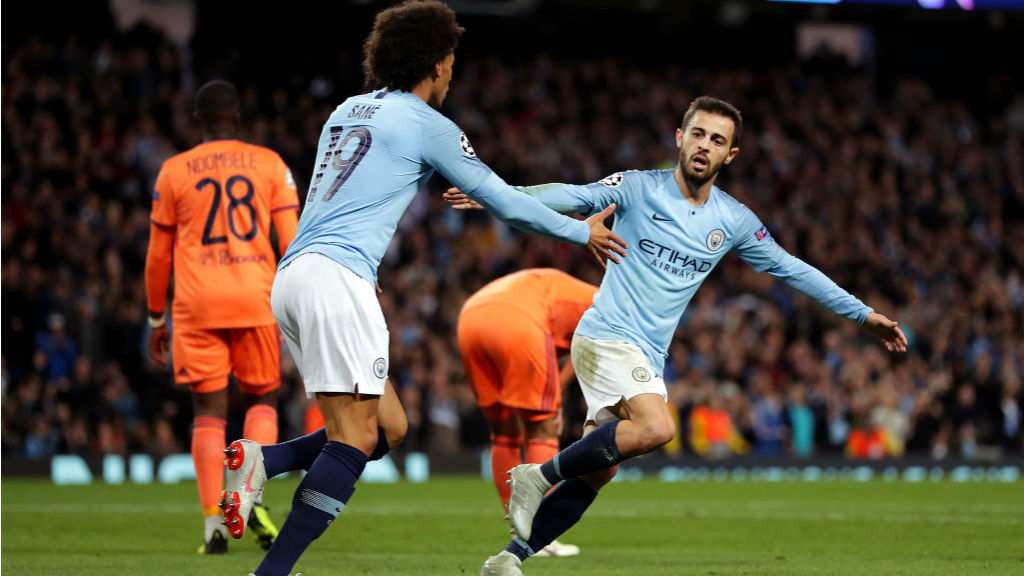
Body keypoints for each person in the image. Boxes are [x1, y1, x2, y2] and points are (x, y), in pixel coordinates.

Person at [217, 3, 627, 576]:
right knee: (354, 438)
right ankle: (274, 571)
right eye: (451, 65)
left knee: (391, 427)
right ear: (435, 65)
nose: (452, 76)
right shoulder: (426, 123)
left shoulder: (347, 110)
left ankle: (266, 459)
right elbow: (508, 202)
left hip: (294, 277)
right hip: (338, 278)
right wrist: (578, 230)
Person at [447, 95, 908, 576]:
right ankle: (536, 475)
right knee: (659, 427)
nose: (704, 145)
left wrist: (862, 315)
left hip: (645, 350)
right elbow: (573, 194)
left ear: (731, 155)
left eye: (718, 140)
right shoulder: (636, 187)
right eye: (698, 134)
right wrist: (500, 194)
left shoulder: (732, 221)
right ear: (679, 138)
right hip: (606, 333)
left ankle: (508, 559)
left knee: (599, 470)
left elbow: (791, 269)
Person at [144, 79, 300, 554]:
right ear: (237, 118)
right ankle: (247, 497)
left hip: (196, 306)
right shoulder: (270, 164)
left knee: (208, 413)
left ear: (198, 120)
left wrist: (155, 318)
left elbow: (157, 255)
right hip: (255, 297)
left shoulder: (173, 171)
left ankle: (214, 525)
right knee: (263, 400)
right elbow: (291, 242)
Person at [458, 268, 598, 557]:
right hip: (518, 321)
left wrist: (557, 386)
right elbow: (592, 348)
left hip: (471, 317)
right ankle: (539, 535)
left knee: (504, 432)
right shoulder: (604, 304)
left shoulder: (572, 290)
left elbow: (579, 348)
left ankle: (517, 526)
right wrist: (556, 395)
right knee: (544, 428)